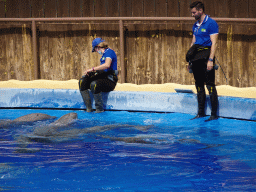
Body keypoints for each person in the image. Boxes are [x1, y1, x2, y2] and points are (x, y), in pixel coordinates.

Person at [186, 1, 219, 121]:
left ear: (200, 10)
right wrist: (189, 61)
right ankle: (200, 113)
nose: (192, 15)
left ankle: (214, 114)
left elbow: (214, 43)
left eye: (194, 12)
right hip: (196, 57)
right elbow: (193, 43)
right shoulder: (195, 25)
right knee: (198, 84)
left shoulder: (211, 23)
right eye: (192, 12)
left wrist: (211, 60)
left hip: (206, 56)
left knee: (209, 84)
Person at [78, 38, 118, 113]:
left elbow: (107, 65)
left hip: (110, 80)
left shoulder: (109, 52)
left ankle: (99, 110)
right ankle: (88, 109)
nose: (96, 51)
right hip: (103, 77)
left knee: (95, 84)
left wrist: (92, 69)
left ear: (98, 47)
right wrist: (91, 74)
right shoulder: (104, 55)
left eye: (95, 49)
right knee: (82, 81)